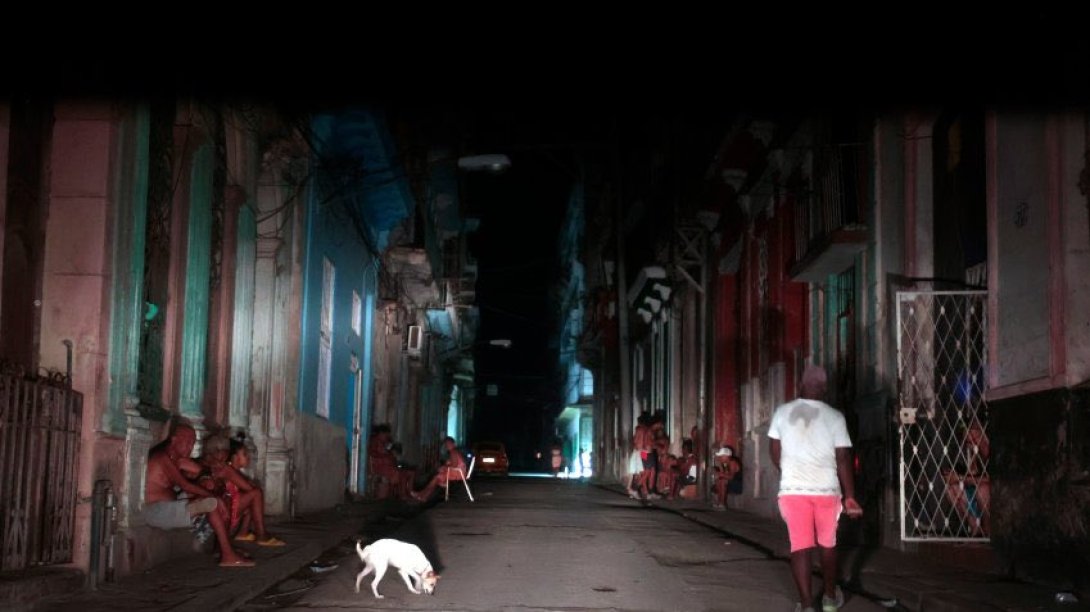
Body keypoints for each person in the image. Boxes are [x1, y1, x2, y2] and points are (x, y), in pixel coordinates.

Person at [768, 365, 862, 612]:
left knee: (800, 547)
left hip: (793, 491)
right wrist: (850, 496)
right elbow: (843, 458)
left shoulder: (782, 412)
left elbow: (774, 452)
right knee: (827, 545)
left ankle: (808, 605)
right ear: (824, 387)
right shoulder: (835, 417)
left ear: (800, 384)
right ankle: (830, 598)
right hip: (826, 492)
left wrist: (790, 473)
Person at [145, 422, 254, 567]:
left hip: (172, 506)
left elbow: (201, 474)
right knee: (211, 503)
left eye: (192, 442)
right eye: (187, 442)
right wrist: (212, 496)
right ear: (174, 440)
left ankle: (223, 548)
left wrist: (207, 480)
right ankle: (227, 555)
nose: (190, 447)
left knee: (219, 496)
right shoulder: (163, 458)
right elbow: (185, 485)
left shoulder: (177, 459)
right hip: (157, 512)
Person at [213, 433, 285, 547]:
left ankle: (243, 532)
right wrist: (250, 485)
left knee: (252, 495)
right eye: (245, 454)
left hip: (232, 509)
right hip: (227, 511)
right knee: (256, 494)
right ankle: (261, 535)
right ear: (235, 457)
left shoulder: (233, 471)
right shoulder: (228, 470)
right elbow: (250, 488)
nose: (248, 457)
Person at [942, 420, 990, 536]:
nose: (972, 443)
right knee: (953, 489)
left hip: (991, 493)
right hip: (978, 491)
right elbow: (971, 476)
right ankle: (976, 528)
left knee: (982, 490)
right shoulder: (975, 455)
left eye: (974, 439)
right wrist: (954, 477)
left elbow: (988, 479)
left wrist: (959, 478)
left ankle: (989, 531)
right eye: (968, 441)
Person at [410, 437, 467, 502]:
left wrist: (444, 467)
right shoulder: (454, 451)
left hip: (457, 474)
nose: (447, 445)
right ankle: (422, 495)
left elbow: (454, 465)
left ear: (453, 444)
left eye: (449, 444)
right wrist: (445, 466)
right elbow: (453, 464)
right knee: (436, 477)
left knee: (436, 477)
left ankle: (422, 495)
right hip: (458, 473)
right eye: (446, 444)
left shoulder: (453, 452)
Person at [712, 445, 741, 510]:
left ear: (726, 456)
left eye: (721, 456)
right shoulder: (725, 463)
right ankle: (719, 502)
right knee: (719, 480)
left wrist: (721, 474)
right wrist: (719, 465)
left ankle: (722, 503)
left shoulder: (732, 462)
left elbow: (731, 477)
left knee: (722, 481)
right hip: (731, 482)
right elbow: (723, 474)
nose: (719, 457)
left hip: (737, 484)